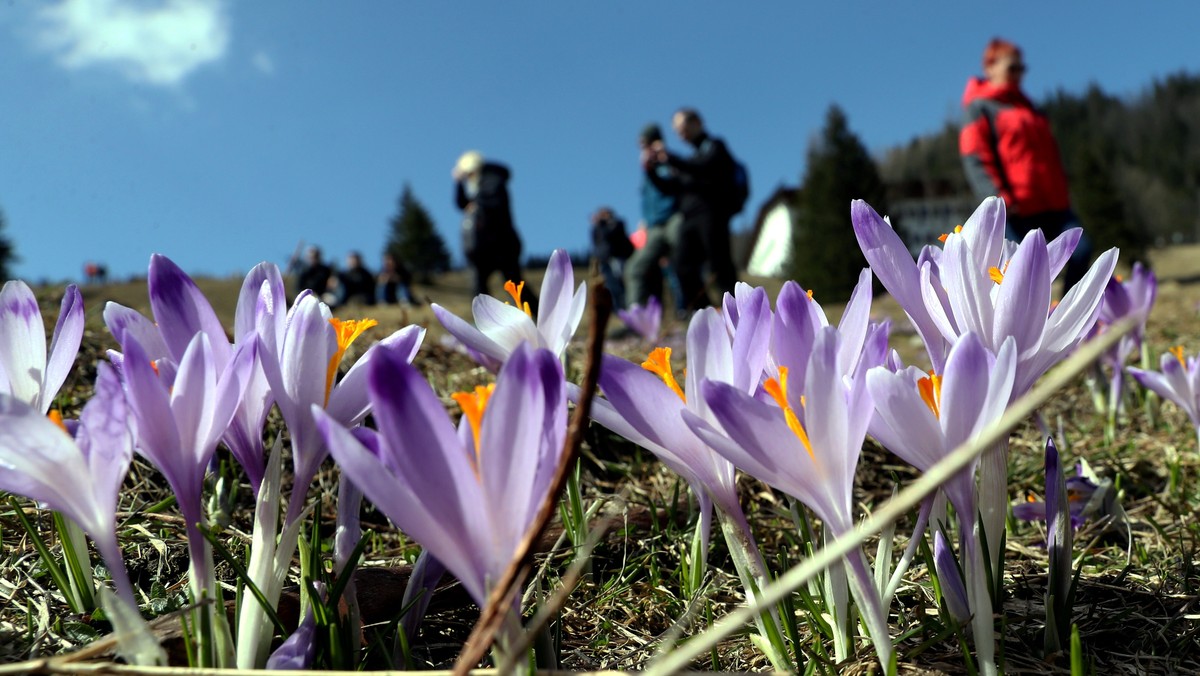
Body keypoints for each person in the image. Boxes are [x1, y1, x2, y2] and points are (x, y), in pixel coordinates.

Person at [960, 38, 1092, 291]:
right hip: (1015, 207)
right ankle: (1021, 324)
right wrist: (996, 199)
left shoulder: (1031, 109)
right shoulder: (980, 108)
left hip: (1053, 203)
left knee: (1081, 249)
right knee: (1020, 269)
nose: (1019, 74)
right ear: (990, 68)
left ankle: (1065, 312)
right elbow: (975, 157)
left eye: (1022, 68)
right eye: (1012, 68)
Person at [644, 108, 739, 312]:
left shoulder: (715, 147)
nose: (681, 134)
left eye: (683, 128)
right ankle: (705, 312)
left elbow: (703, 167)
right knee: (682, 266)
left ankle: (739, 311)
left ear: (697, 122)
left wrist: (669, 157)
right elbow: (671, 187)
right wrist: (650, 171)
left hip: (711, 214)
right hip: (689, 219)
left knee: (720, 264)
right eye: (677, 131)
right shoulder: (689, 160)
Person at [453, 150, 532, 307]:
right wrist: (458, 183)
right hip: (482, 247)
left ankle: (535, 317)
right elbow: (461, 203)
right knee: (479, 286)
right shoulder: (478, 184)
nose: (468, 179)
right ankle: (485, 324)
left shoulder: (492, 178)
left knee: (515, 285)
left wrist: (477, 206)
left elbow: (494, 202)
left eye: (468, 175)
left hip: (502, 244)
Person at [625, 123, 684, 311]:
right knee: (635, 268)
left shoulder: (669, 162)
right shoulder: (647, 171)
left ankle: (691, 308)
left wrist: (661, 161)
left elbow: (670, 186)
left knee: (682, 261)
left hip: (674, 219)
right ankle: (637, 317)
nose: (644, 149)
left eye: (646, 144)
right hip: (653, 227)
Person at [590, 207, 634, 309]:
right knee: (609, 285)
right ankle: (616, 308)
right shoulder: (598, 228)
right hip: (603, 259)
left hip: (616, 258)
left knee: (620, 282)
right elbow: (596, 241)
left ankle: (624, 306)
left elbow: (611, 236)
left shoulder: (617, 224)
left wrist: (603, 223)